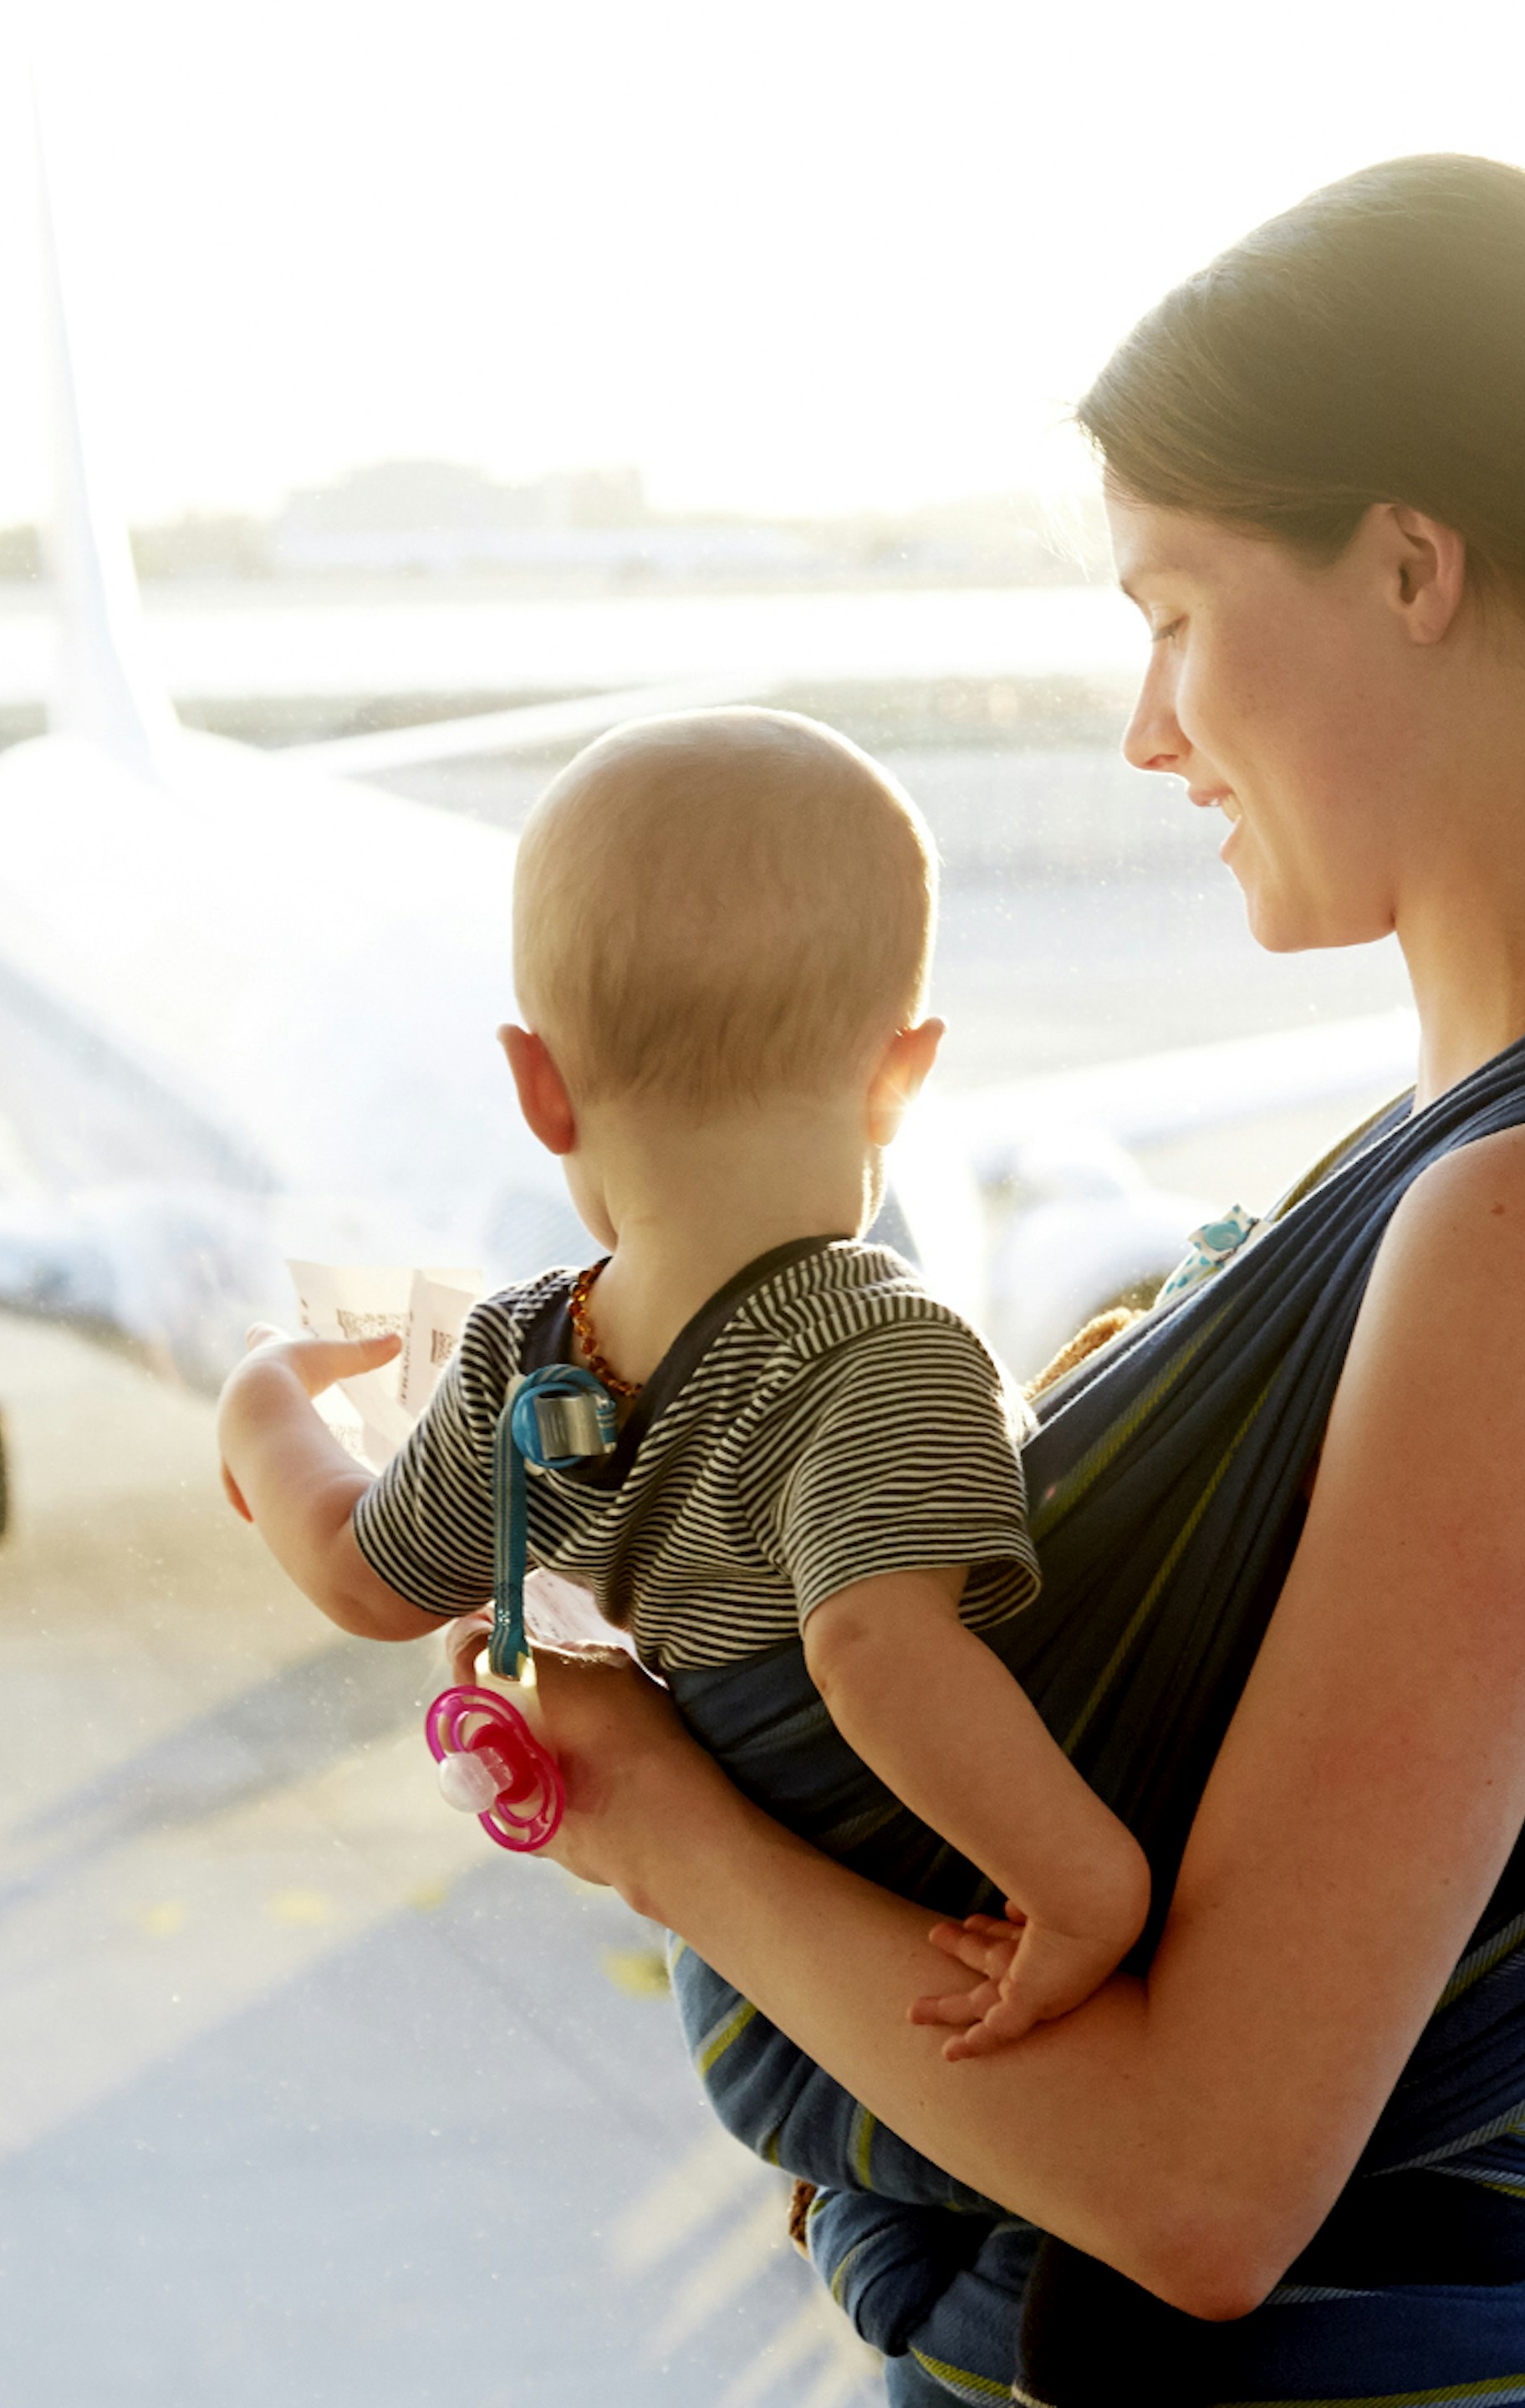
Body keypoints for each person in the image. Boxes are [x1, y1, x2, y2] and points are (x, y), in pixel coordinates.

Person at [487, 155, 1525, 2405]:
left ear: (1411, 563)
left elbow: (1210, 2184)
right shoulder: (1505, 1157)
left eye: (1178, 609)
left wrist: (648, 1820)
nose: (1148, 724)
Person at [217, 707, 1154, 2070]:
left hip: (753, 1994)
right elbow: (874, 1647)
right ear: (903, 1076)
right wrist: (1084, 1891)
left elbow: (368, 1580)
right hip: (888, 1957)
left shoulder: (516, 1354)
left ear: (539, 1089)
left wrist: (262, 1413)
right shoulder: (891, 1349)